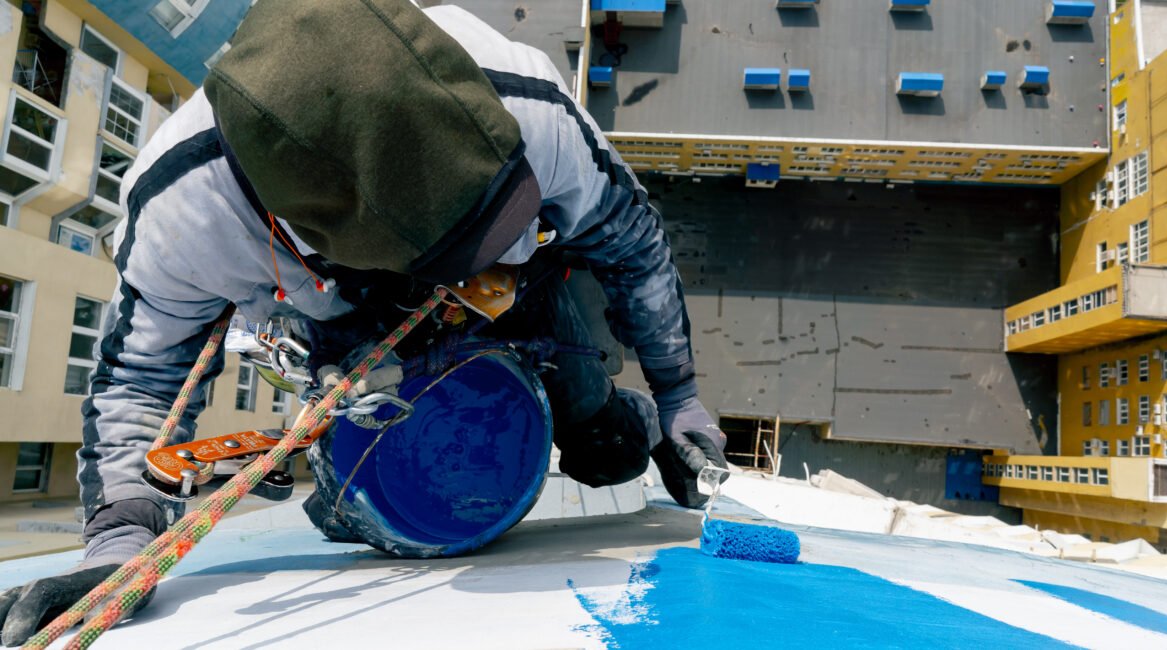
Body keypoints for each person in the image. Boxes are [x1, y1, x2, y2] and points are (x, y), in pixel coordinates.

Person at [0, 0, 728, 645]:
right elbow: (140, 382)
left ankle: (608, 421)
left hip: (521, 286)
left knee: (610, 449)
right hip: (345, 320)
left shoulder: (528, 105)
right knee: (379, 504)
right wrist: (119, 541)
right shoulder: (183, 215)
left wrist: (677, 398)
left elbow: (631, 244)